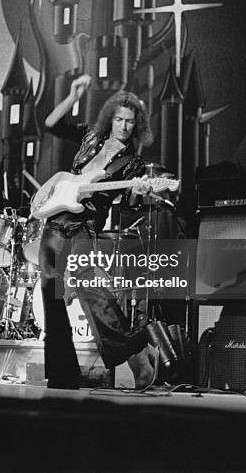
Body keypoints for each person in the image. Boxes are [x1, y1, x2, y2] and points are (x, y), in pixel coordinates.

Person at [39, 74, 156, 389]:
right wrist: (73, 96)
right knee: (51, 295)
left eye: (130, 122)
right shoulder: (90, 135)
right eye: (119, 119)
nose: (123, 126)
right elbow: (50, 123)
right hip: (56, 219)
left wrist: (141, 189)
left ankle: (134, 351)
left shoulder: (132, 164)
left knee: (88, 285)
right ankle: (63, 373)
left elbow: (131, 201)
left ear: (136, 125)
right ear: (111, 119)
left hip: (86, 223)